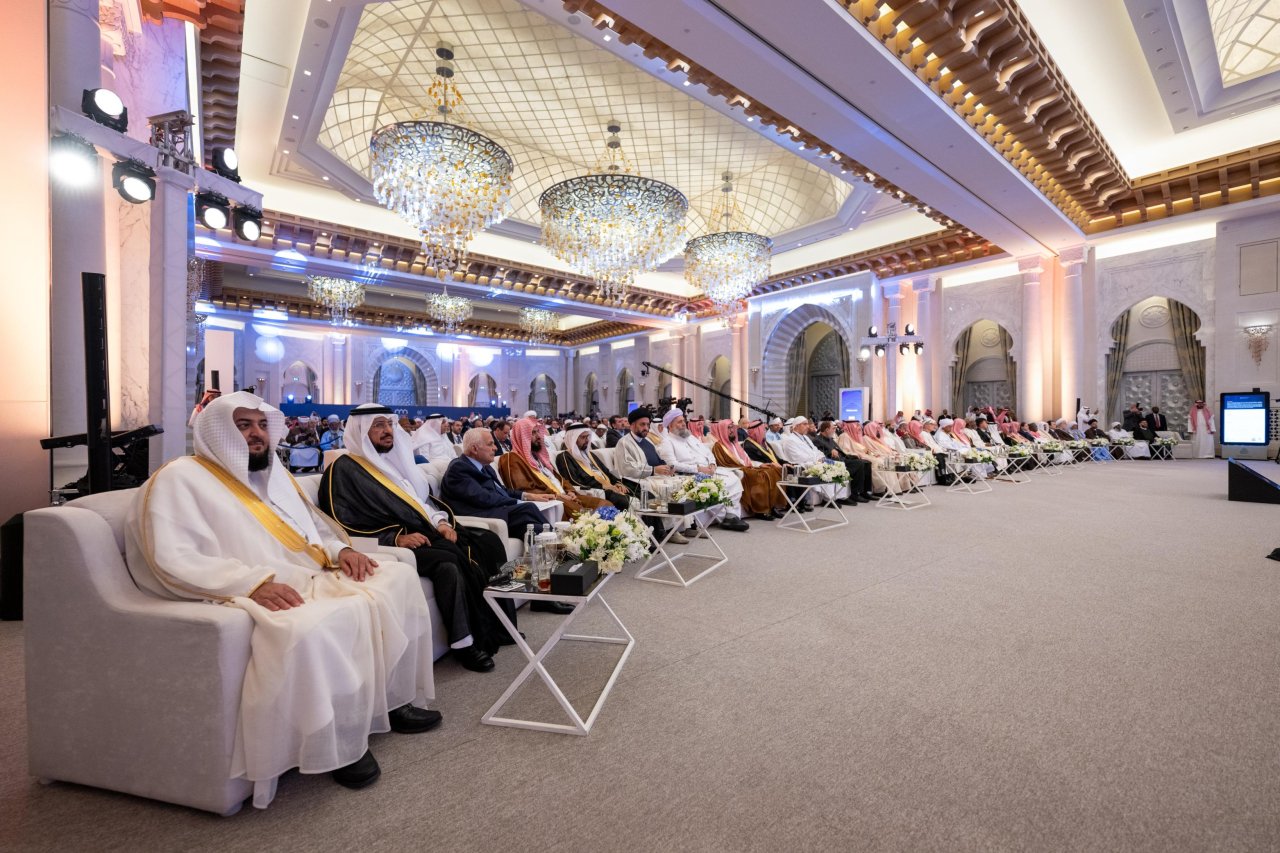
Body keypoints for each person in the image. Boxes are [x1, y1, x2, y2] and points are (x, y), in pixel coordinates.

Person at [124, 392, 438, 804]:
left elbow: (313, 530)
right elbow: (172, 557)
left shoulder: (275, 473)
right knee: (314, 624)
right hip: (251, 586)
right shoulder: (180, 479)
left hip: (312, 572)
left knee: (397, 578)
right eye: (243, 425)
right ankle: (337, 742)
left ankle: (391, 700)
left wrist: (341, 551)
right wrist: (251, 583)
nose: (256, 434)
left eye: (261, 425)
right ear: (216, 431)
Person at [319, 405, 514, 673]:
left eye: (389, 424)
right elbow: (342, 524)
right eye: (378, 425)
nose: (387, 431)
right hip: (391, 543)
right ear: (361, 431)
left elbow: (420, 504)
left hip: (425, 531)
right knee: (448, 562)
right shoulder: (343, 471)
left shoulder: (392, 464)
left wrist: (441, 522)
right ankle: (464, 643)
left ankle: (501, 625)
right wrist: (395, 539)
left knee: (488, 542)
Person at [440, 428, 556, 542]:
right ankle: (559, 541)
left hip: (500, 512)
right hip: (480, 517)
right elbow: (483, 498)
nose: (495, 448)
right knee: (528, 507)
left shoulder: (485, 466)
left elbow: (502, 491)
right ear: (474, 449)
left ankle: (556, 545)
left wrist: (528, 496)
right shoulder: (458, 468)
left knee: (536, 529)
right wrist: (518, 502)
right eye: (490, 444)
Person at [658, 410, 750, 531]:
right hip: (689, 475)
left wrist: (712, 464)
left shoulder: (691, 438)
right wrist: (698, 469)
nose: (683, 424)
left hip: (708, 470)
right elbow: (672, 464)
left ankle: (731, 515)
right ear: (670, 425)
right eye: (679, 422)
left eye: (683, 421)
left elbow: (708, 453)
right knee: (716, 486)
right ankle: (727, 517)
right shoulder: (667, 442)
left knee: (734, 479)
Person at [498, 418, 608, 518]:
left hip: (565, 496)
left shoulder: (538, 457)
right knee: (586, 518)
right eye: (533, 433)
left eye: (538, 432)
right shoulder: (511, 458)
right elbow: (525, 490)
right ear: (522, 436)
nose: (539, 436)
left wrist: (570, 491)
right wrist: (557, 495)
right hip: (551, 501)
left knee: (606, 506)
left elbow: (559, 479)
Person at [613, 407, 687, 544]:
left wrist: (667, 468)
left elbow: (658, 460)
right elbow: (627, 468)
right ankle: (668, 530)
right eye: (642, 424)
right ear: (632, 425)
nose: (646, 428)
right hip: (634, 480)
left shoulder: (648, 442)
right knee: (663, 487)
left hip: (654, 476)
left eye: (647, 424)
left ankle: (682, 526)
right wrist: (653, 470)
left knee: (680, 482)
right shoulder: (623, 443)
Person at [709, 418, 788, 520]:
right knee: (761, 476)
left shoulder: (735, 444)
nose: (732, 430)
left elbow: (747, 460)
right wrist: (750, 467)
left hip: (746, 467)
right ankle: (761, 510)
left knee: (773, 470)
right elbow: (726, 463)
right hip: (736, 469)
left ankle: (772, 506)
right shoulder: (718, 447)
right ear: (722, 430)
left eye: (732, 427)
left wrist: (759, 465)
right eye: (729, 428)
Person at [555, 423, 633, 510]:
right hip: (594, 490)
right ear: (573, 439)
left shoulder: (590, 455)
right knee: (622, 500)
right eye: (583, 437)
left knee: (634, 491)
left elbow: (606, 471)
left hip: (607, 486)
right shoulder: (564, 457)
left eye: (587, 437)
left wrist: (617, 483)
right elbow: (575, 481)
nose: (587, 440)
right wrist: (603, 486)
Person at [810, 420, 872, 500]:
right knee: (859, 464)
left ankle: (865, 492)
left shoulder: (830, 439)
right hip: (833, 462)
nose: (834, 430)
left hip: (842, 459)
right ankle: (855, 493)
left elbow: (840, 451)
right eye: (833, 428)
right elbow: (821, 455)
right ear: (827, 429)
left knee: (867, 463)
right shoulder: (817, 440)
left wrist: (852, 456)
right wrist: (831, 451)